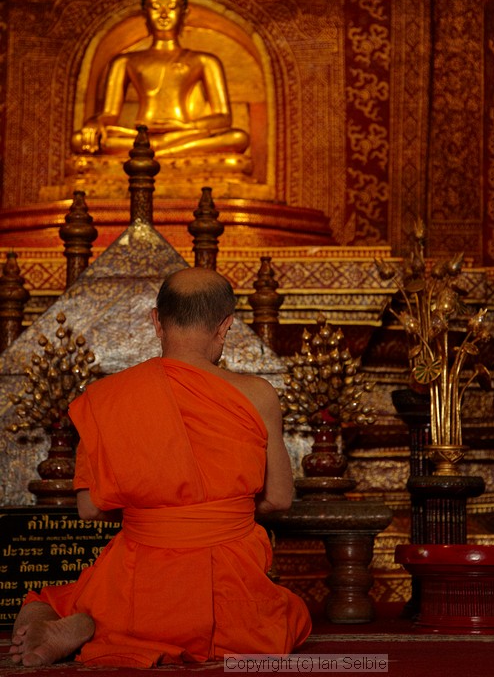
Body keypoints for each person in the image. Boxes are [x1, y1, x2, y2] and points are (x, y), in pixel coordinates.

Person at [9, 267, 311, 668]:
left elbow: (89, 508)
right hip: (229, 583)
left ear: (156, 320)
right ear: (225, 327)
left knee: (49, 599)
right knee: (294, 617)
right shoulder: (257, 395)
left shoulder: (107, 397)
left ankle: (92, 625)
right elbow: (278, 499)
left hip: (138, 578)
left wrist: (158, 512)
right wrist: (212, 515)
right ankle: (109, 627)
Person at [71, 0, 250, 161]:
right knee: (79, 140)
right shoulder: (125, 61)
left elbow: (223, 117)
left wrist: (185, 127)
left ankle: (155, 155)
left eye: (172, 7)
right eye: (155, 7)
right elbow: (110, 114)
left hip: (183, 134)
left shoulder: (204, 61)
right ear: (145, 13)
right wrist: (94, 123)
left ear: (185, 13)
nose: (164, 14)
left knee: (238, 138)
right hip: (138, 137)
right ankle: (162, 154)